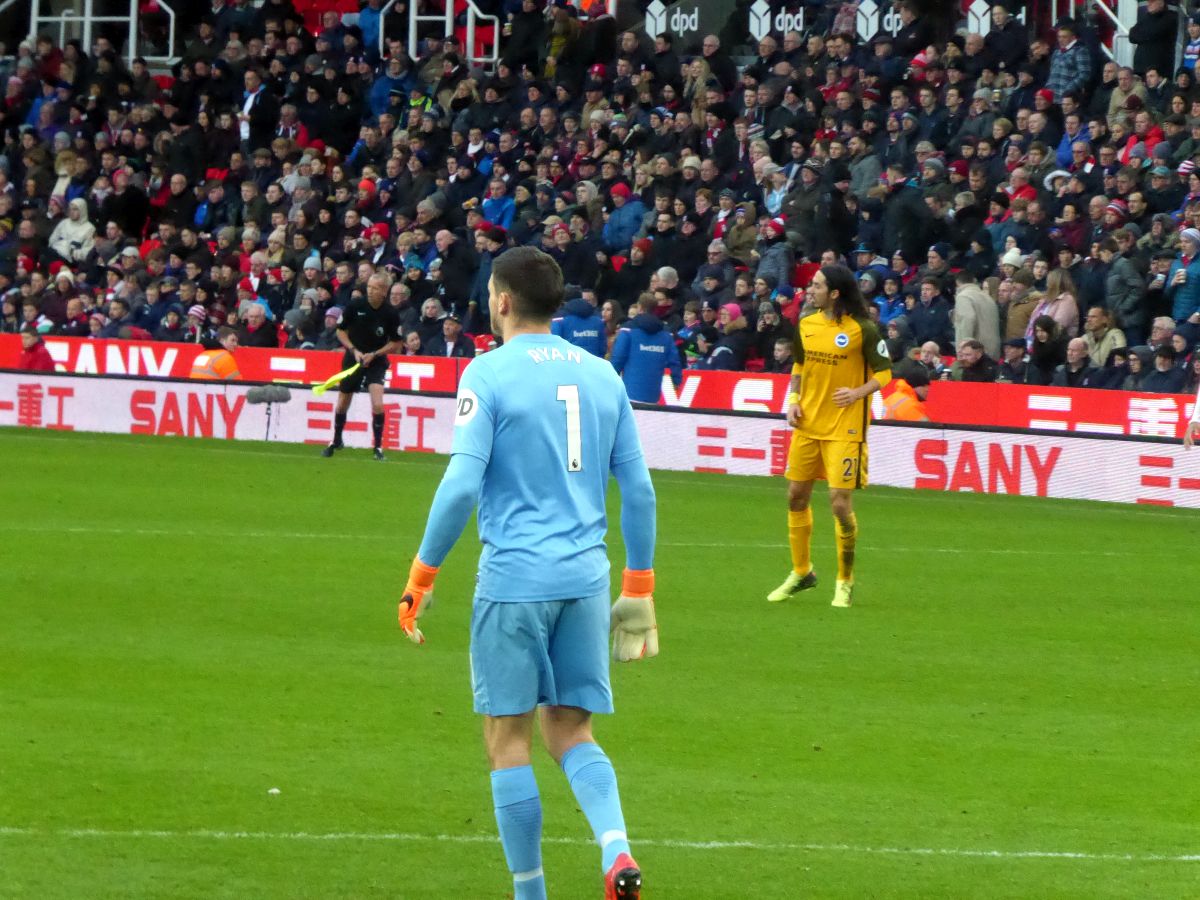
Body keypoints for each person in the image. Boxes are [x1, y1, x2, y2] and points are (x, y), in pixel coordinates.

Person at [396, 246, 657, 900]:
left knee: (505, 737)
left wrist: (422, 576)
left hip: (514, 580)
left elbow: (459, 488)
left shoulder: (486, 374)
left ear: (503, 301)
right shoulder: (602, 375)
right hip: (587, 583)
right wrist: (640, 590)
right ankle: (616, 850)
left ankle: (530, 893)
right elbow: (642, 490)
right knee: (571, 729)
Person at [768, 266, 892, 609]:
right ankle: (802, 572)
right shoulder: (806, 324)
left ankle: (844, 581)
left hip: (845, 427)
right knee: (795, 496)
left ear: (835, 293)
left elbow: (885, 373)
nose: (810, 289)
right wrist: (792, 401)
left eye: (817, 285)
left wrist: (857, 393)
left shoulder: (862, 329)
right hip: (808, 423)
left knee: (839, 502)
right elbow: (800, 366)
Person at [323, 273, 402, 461]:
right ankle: (336, 440)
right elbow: (341, 331)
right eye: (369, 287)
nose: (370, 291)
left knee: (377, 403)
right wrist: (354, 350)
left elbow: (396, 343)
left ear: (384, 291)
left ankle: (378, 447)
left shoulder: (390, 313)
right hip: (354, 358)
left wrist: (374, 354)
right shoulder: (355, 306)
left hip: (376, 361)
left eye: (375, 288)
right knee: (343, 401)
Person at [610, 295, 682, 403]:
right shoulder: (666, 333)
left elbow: (618, 358)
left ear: (639, 307)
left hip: (630, 392)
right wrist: (676, 380)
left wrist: (610, 379)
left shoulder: (628, 330)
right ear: (655, 308)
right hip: (653, 395)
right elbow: (675, 360)